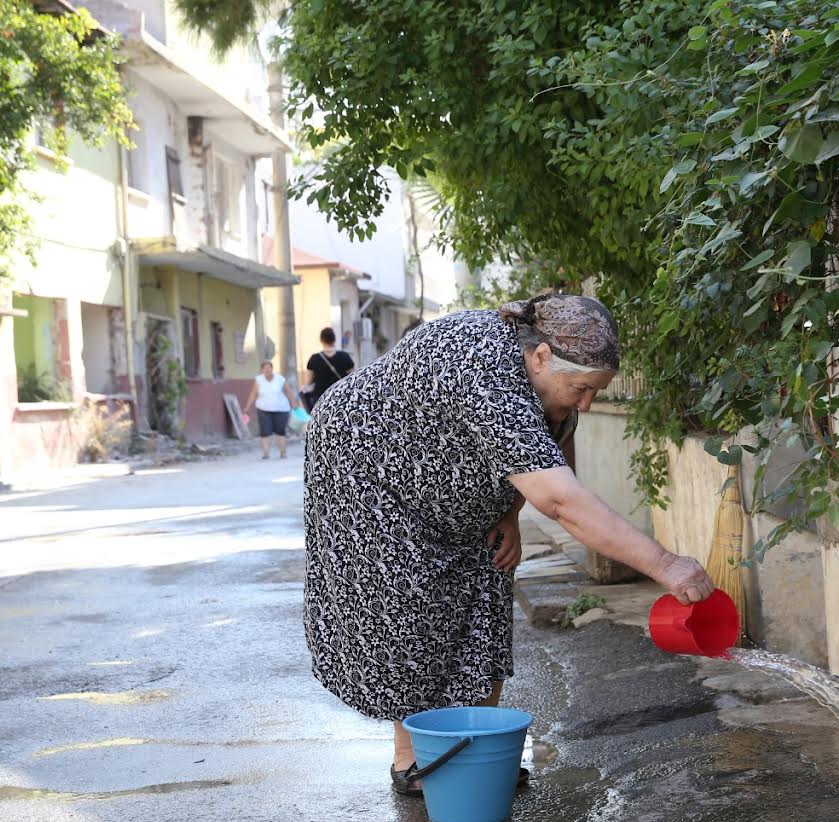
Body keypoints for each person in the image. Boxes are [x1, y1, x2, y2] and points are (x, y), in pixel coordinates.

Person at [303, 293, 717, 796]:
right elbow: (562, 502)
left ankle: (475, 749)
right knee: (406, 605)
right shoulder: (485, 371)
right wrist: (666, 564)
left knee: (489, 576)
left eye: (595, 392)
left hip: (451, 470)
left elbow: (554, 445)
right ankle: (412, 757)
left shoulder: (548, 377)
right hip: (364, 460)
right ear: (541, 358)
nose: (586, 403)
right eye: (582, 389)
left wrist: (510, 510)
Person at [243, 359, 301, 460]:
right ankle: (266, 453)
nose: (267, 370)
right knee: (265, 432)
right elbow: (253, 394)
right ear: (262, 370)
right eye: (265, 368)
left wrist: (294, 403)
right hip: (263, 408)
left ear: (272, 368)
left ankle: (283, 452)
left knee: (280, 431)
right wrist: (247, 407)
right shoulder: (259, 380)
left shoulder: (280, 379)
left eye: (269, 368)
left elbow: (288, 392)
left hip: (281, 409)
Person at [301, 327, 355, 412]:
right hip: (341, 397)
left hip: (321, 399)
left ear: (321, 340)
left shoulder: (314, 359)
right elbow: (353, 377)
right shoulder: (345, 356)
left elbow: (309, 381)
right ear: (334, 340)